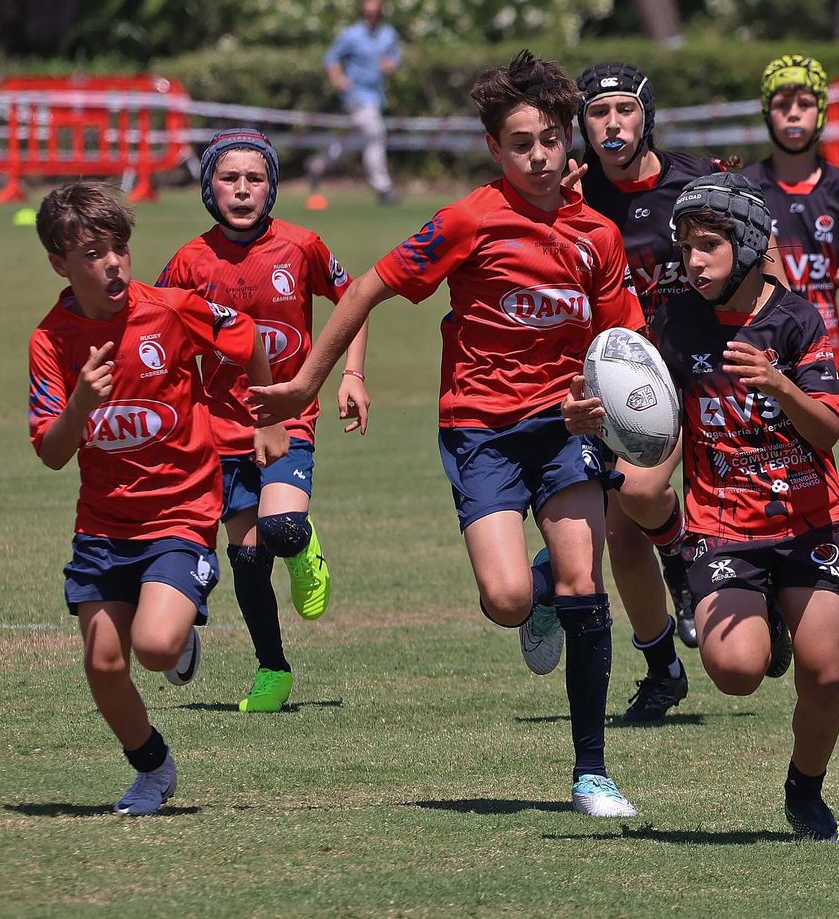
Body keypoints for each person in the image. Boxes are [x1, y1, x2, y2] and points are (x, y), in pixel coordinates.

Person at [250, 50, 644, 817]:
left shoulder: (597, 234)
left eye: (551, 139)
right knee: (505, 598)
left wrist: (598, 407)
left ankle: (592, 771)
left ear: (570, 140)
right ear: (494, 147)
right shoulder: (469, 219)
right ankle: (536, 592)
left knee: (586, 585)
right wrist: (307, 383)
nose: (540, 156)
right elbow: (367, 286)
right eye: (521, 143)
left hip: (563, 431)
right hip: (480, 430)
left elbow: (623, 344)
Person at [569, 172, 839, 841]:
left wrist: (779, 384)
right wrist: (596, 420)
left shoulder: (798, 320)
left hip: (808, 520)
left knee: (826, 672)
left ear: (750, 244)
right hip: (724, 525)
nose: (692, 260)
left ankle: (805, 789)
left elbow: (826, 429)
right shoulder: (676, 324)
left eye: (708, 245)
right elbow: (649, 414)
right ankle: (723, 586)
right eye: (685, 247)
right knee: (736, 672)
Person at [27, 182, 286, 814]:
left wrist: (268, 416)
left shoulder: (169, 310)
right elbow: (52, 452)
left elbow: (247, 335)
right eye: (93, 254)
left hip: (180, 511)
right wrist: (80, 404)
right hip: (103, 524)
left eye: (119, 248)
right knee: (103, 663)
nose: (113, 264)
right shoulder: (50, 341)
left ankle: (177, 621)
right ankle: (152, 767)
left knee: (155, 647)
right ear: (60, 264)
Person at [156, 128, 371, 713]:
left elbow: (354, 299)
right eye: (229, 178)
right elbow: (154, 325)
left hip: (287, 418)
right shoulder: (189, 261)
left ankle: (304, 546)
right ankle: (273, 669)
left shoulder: (301, 246)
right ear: (209, 186)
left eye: (255, 178)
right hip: (219, 429)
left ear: (271, 187)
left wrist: (352, 374)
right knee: (248, 560)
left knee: (281, 530)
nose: (243, 189)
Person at [572, 61, 718, 724]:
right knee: (623, 538)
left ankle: (690, 559)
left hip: (697, 367)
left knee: (636, 494)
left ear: (646, 115)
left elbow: (758, 261)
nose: (612, 124)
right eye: (598, 113)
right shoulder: (575, 193)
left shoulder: (696, 181)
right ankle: (663, 670)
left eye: (624, 110)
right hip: (619, 380)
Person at [743, 54, 839, 430]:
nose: (794, 114)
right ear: (766, 112)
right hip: (762, 346)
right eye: (782, 105)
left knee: (820, 445)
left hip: (822, 346)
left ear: (821, 111)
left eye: (805, 104)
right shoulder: (747, 186)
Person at [309, 0, 401, 204]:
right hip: (356, 95)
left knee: (361, 139)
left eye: (375, 14)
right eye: (367, 14)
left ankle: (318, 164)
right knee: (376, 134)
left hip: (376, 96)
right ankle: (383, 187)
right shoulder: (351, 34)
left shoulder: (388, 34)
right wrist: (337, 78)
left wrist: (390, 65)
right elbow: (331, 58)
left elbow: (394, 59)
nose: (371, 18)